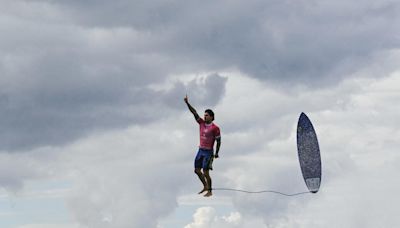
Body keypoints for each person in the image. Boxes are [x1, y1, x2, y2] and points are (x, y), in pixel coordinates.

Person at [184, 94, 221, 197]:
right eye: (204, 115)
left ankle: (210, 191)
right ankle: (205, 186)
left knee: (206, 172)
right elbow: (194, 112)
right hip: (200, 150)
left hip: (208, 152)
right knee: (196, 170)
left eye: (207, 115)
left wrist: (217, 153)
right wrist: (187, 103)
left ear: (212, 117)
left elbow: (219, 141)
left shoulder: (215, 128)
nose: (204, 116)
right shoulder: (201, 123)